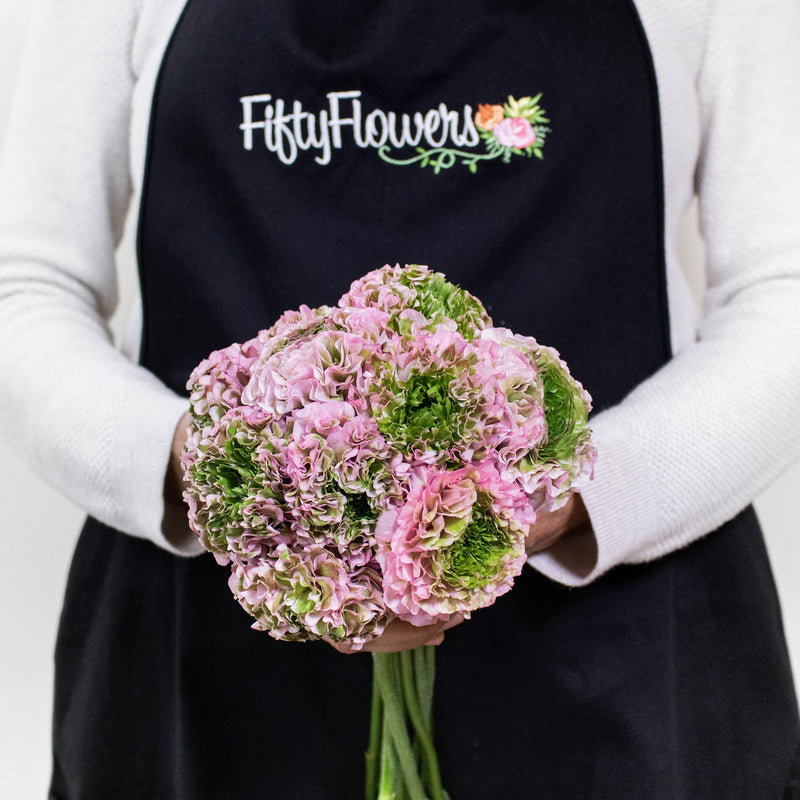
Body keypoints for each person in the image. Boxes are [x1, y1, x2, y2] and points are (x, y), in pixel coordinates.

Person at [1, 0, 799, 797]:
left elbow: (782, 294)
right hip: (203, 651)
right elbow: (27, 285)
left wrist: (576, 496)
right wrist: (201, 469)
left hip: (624, 650)